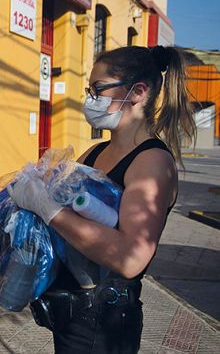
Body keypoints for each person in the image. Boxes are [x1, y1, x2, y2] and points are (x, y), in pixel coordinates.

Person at [10, 45, 196, 353]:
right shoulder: (95, 153)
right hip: (70, 313)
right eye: (89, 90)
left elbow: (130, 258)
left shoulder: (151, 163)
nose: (89, 100)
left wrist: (46, 207)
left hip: (104, 326)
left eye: (98, 90)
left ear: (138, 92)